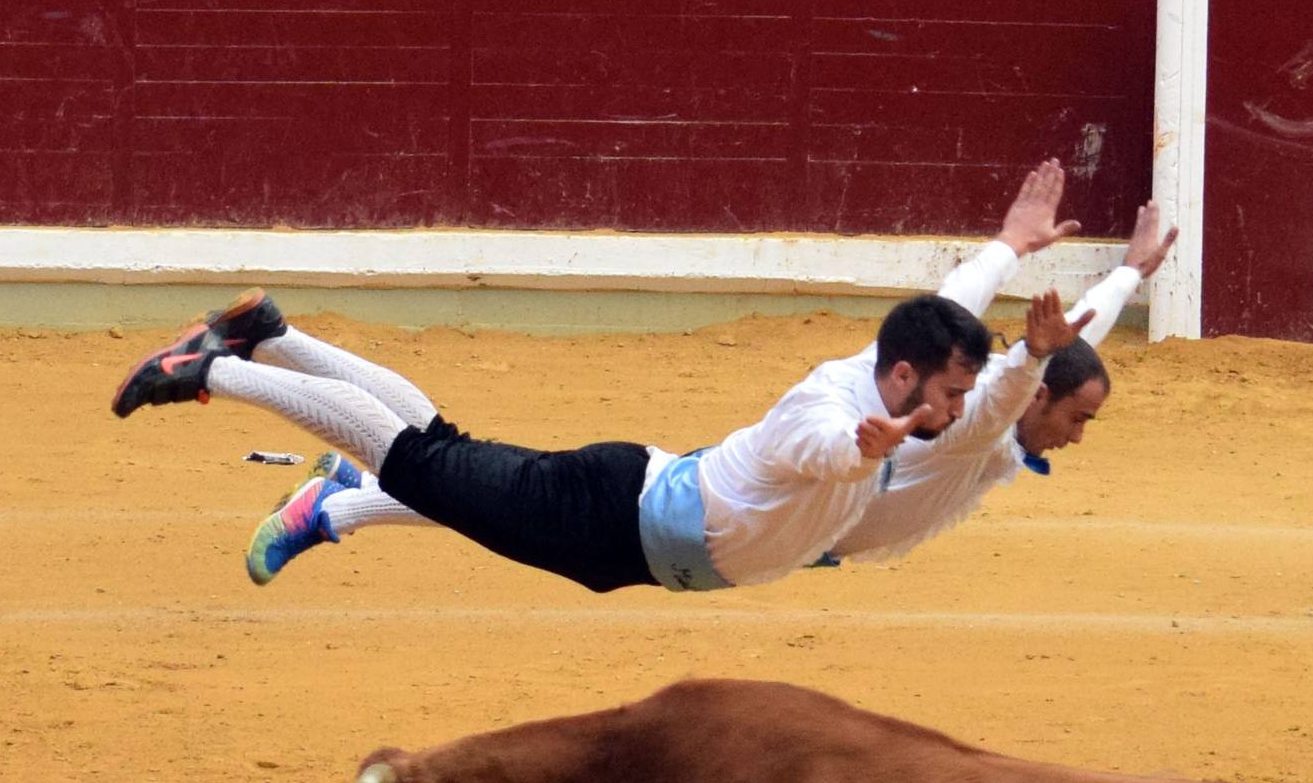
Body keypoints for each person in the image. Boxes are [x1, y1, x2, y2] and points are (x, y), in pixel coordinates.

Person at [110, 164, 1088, 592]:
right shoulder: (831, 411)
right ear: (905, 377)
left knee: (434, 453)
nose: (962, 414)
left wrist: (1007, 260)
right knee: (413, 460)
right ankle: (220, 372)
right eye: (949, 397)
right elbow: (821, 451)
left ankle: (273, 338)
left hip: (629, 529)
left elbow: (960, 330)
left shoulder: (888, 379)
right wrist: (865, 448)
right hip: (616, 515)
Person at [824, 198, 1177, 565]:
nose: (1076, 438)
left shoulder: (991, 377)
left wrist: (1130, 273)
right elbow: (1003, 395)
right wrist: (1033, 355)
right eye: (1077, 418)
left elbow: (1079, 329)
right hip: (786, 523)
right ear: (1038, 395)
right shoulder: (973, 417)